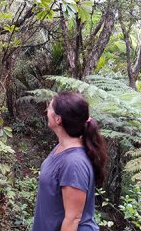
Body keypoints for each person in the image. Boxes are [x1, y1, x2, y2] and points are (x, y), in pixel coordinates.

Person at [32, 91, 108, 231]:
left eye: (50, 108)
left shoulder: (74, 163)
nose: (47, 109)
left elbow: (72, 219)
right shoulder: (62, 147)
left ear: (58, 119)